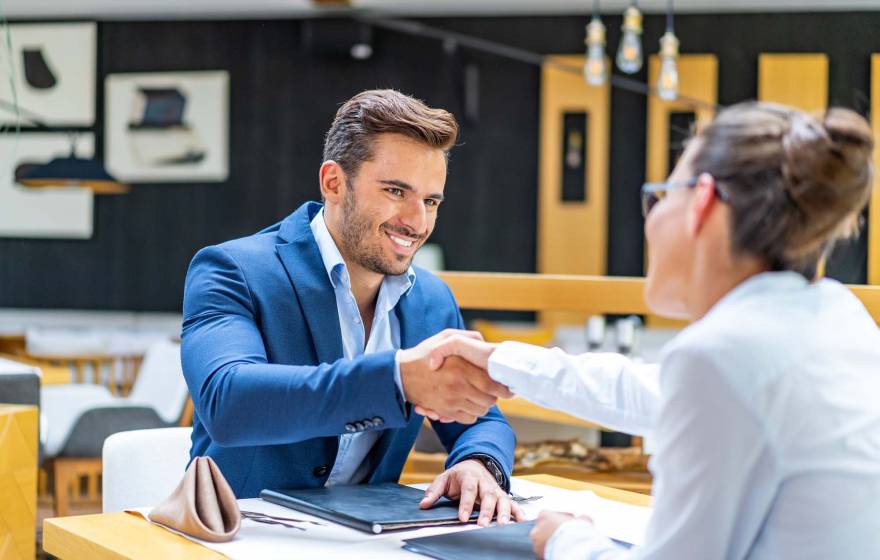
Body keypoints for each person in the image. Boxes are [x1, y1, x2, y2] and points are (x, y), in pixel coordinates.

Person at [424, 102, 880, 558]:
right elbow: (645, 391)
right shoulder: (835, 314)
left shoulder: (723, 353)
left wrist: (565, 540)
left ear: (701, 200)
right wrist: (502, 360)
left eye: (660, 196)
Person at [181, 89, 524, 526]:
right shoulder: (233, 270)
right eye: (396, 191)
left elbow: (482, 418)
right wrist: (397, 380)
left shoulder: (432, 301)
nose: (417, 222)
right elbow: (229, 403)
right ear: (333, 183)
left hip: (367, 542)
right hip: (239, 536)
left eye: (431, 201)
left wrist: (479, 462)